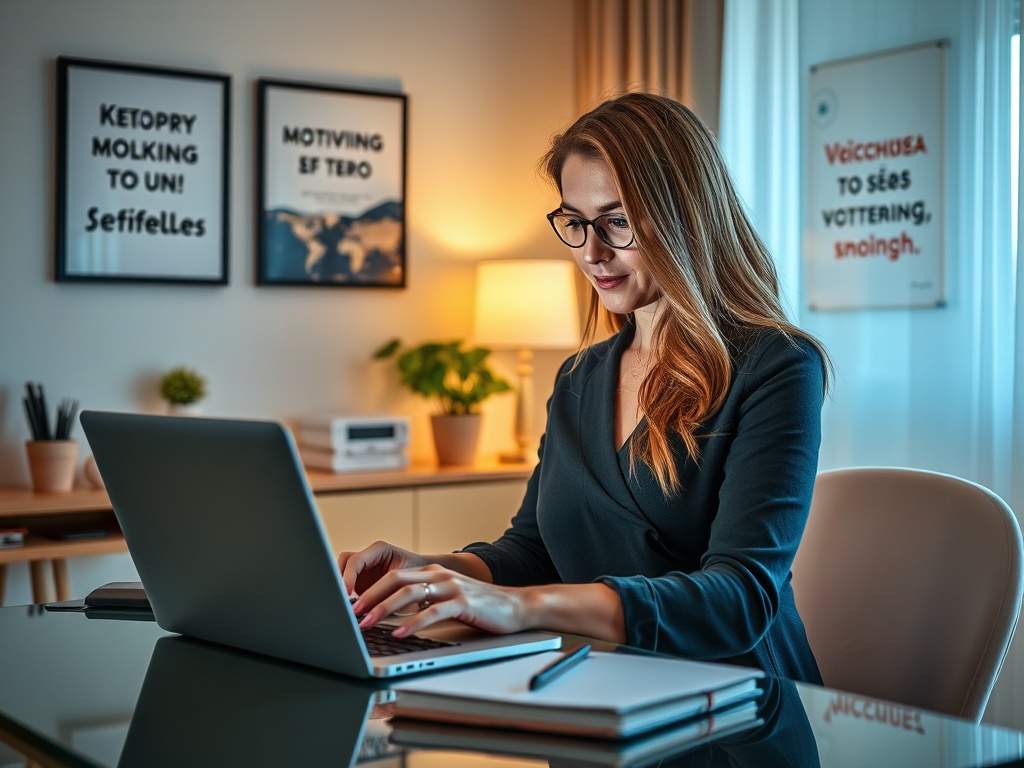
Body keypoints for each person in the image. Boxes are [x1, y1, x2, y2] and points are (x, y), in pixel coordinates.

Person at [340, 91, 830, 684]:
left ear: (686, 218)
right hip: (599, 690)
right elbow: (533, 551)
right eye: (575, 222)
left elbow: (740, 599)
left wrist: (524, 607)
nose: (592, 253)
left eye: (616, 221)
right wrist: (432, 571)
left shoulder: (776, 366)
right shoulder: (579, 378)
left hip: (734, 709)